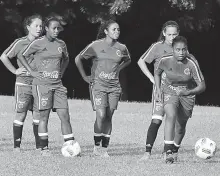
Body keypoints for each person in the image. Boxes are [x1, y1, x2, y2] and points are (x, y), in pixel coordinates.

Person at [18, 15, 76, 156]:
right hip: (42, 85)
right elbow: (21, 55)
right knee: (44, 116)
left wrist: (60, 72)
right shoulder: (38, 43)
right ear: (46, 29)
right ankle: (44, 149)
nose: (56, 31)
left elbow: (66, 59)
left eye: (58, 28)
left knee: (65, 116)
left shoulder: (61, 44)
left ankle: (71, 147)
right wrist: (32, 72)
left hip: (58, 85)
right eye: (54, 28)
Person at [75, 20, 131, 157]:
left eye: (118, 29)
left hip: (114, 87)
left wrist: (118, 69)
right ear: (106, 31)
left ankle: (105, 149)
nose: (117, 31)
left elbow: (128, 59)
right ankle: (96, 147)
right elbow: (78, 59)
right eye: (114, 29)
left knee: (109, 116)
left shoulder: (122, 47)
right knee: (101, 115)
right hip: (98, 86)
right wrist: (84, 77)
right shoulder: (95, 45)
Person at [154, 36, 206, 163]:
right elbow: (157, 72)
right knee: (170, 115)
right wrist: (159, 90)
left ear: (186, 49)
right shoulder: (164, 60)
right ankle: (168, 151)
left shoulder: (191, 62)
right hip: (169, 90)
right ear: (173, 49)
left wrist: (187, 92)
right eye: (178, 49)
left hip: (187, 94)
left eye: (183, 49)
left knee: (180, 126)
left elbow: (202, 86)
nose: (181, 52)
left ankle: (175, 149)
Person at [137, 21, 180, 160]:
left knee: (172, 120)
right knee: (157, 120)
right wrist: (151, 78)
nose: (172, 37)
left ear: (178, 34)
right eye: (169, 34)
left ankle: (167, 151)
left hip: (175, 90)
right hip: (160, 89)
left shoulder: (180, 48)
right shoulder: (157, 47)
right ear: (163, 33)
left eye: (174, 34)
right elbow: (141, 61)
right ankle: (147, 152)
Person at [0, 14, 43, 152]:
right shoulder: (20, 42)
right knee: (21, 113)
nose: (39, 28)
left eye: (41, 26)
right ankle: (17, 147)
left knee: (38, 114)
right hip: (23, 84)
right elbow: (3, 56)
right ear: (28, 27)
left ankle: (39, 146)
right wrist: (14, 71)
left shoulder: (44, 43)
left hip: (38, 84)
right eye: (36, 25)